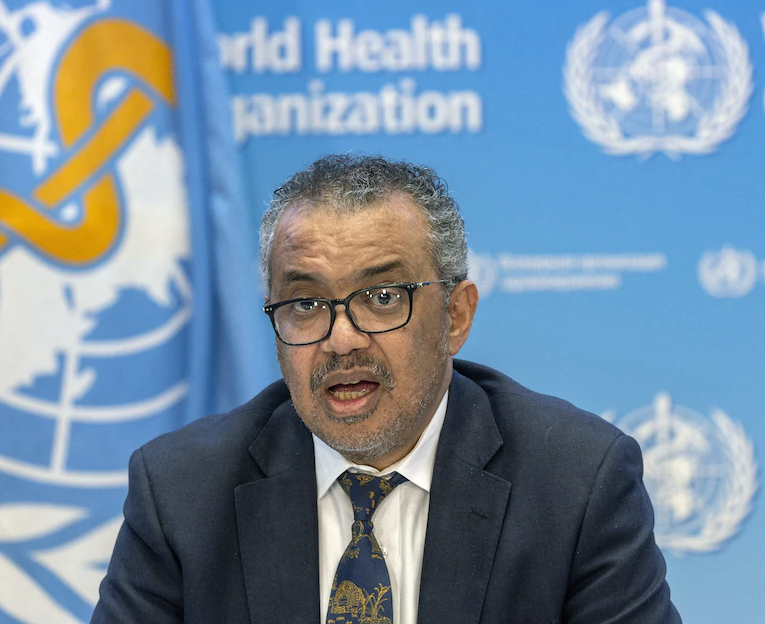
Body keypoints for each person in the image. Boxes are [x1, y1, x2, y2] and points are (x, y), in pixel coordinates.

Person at [92, 154, 681, 623]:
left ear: (455, 317)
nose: (341, 339)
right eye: (305, 303)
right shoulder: (182, 493)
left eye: (382, 298)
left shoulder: (575, 483)